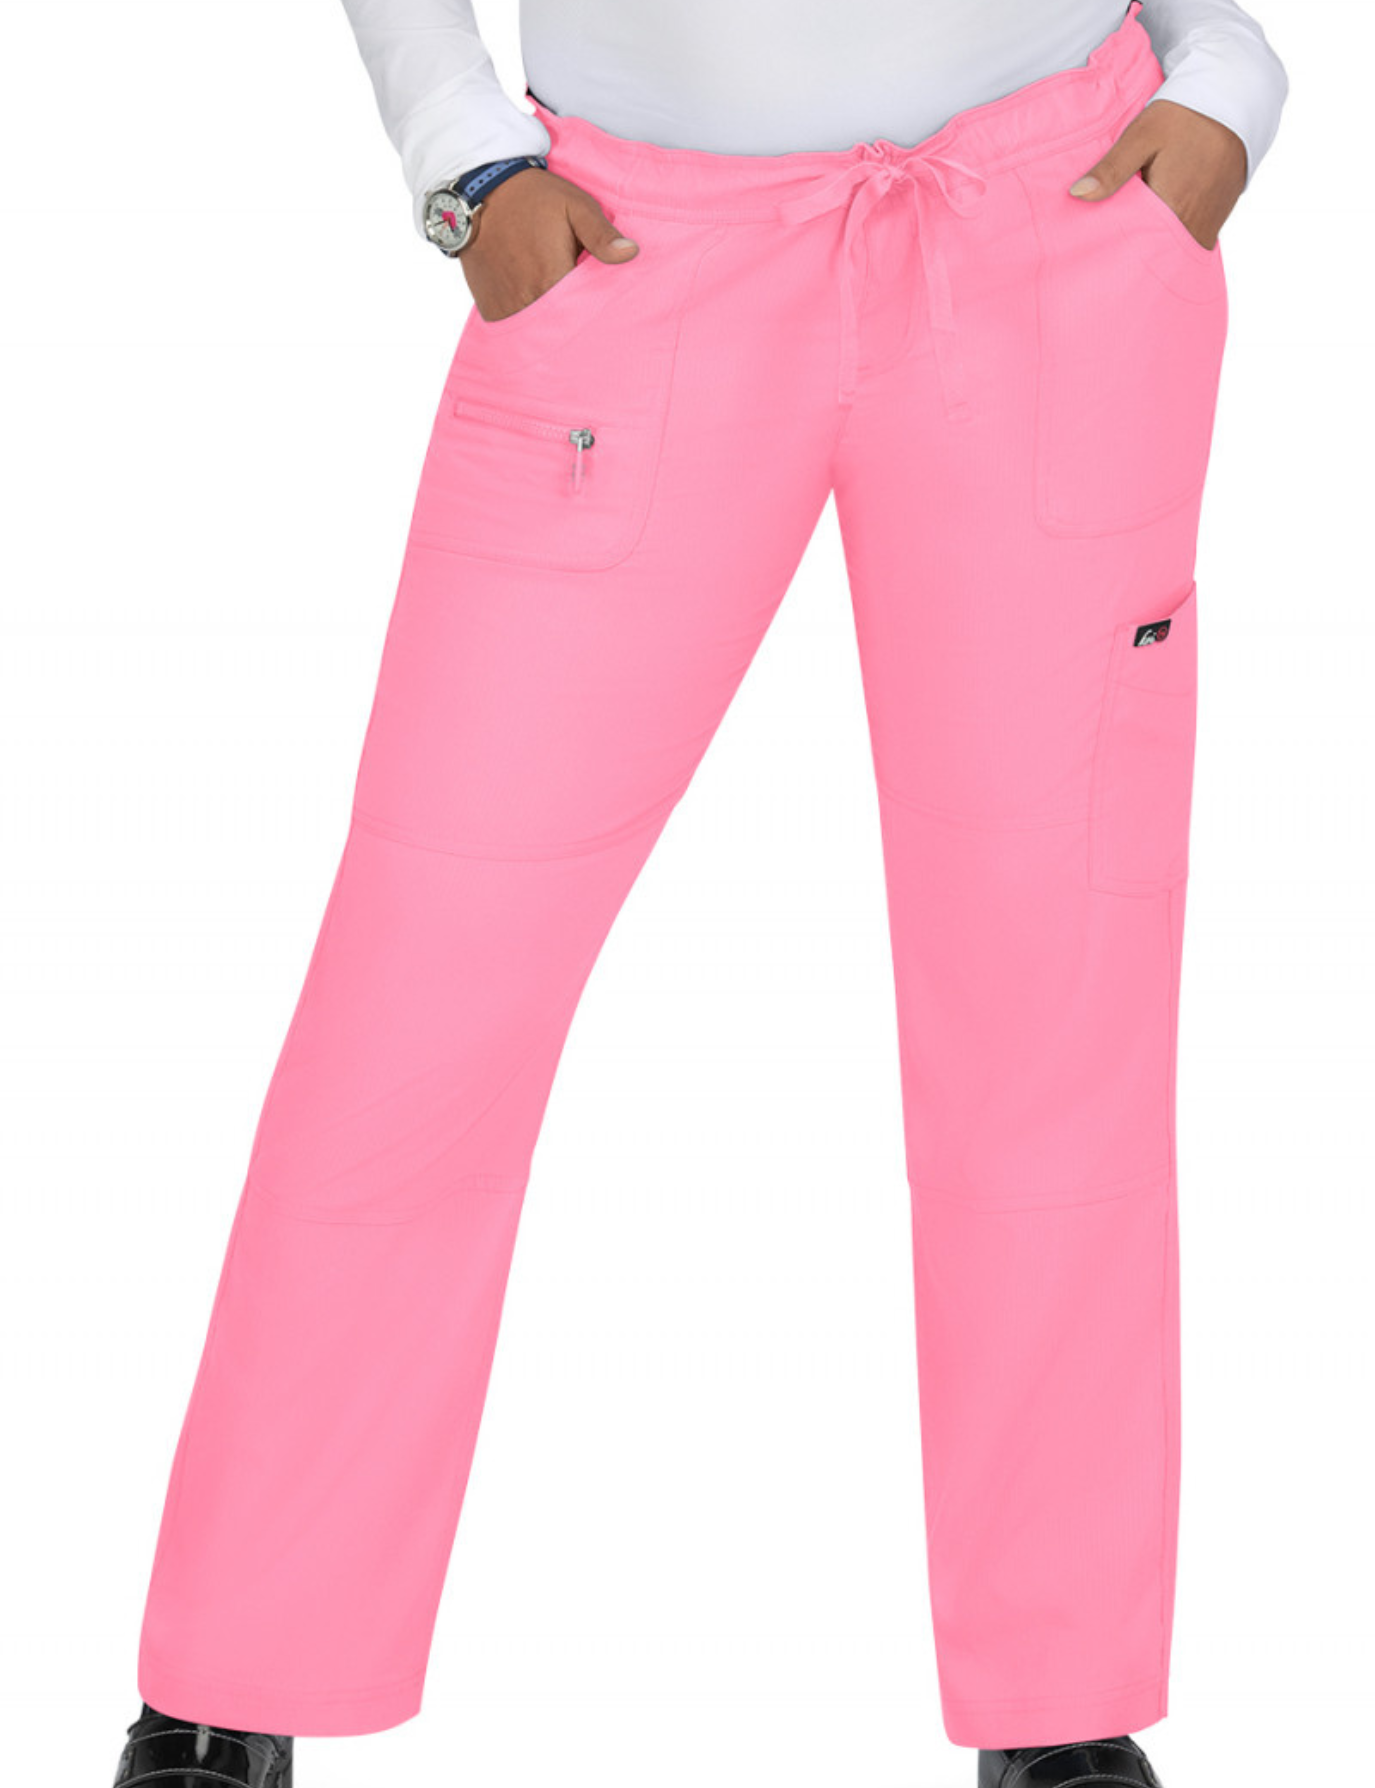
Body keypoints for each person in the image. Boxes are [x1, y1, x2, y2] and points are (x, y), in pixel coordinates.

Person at [110, 1, 1289, 1784]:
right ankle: (231, 1671)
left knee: (1052, 996)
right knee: (421, 989)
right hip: (630, 249)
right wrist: (462, 154)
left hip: (1053, 225)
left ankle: (1062, 1709)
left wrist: (1230, 79)